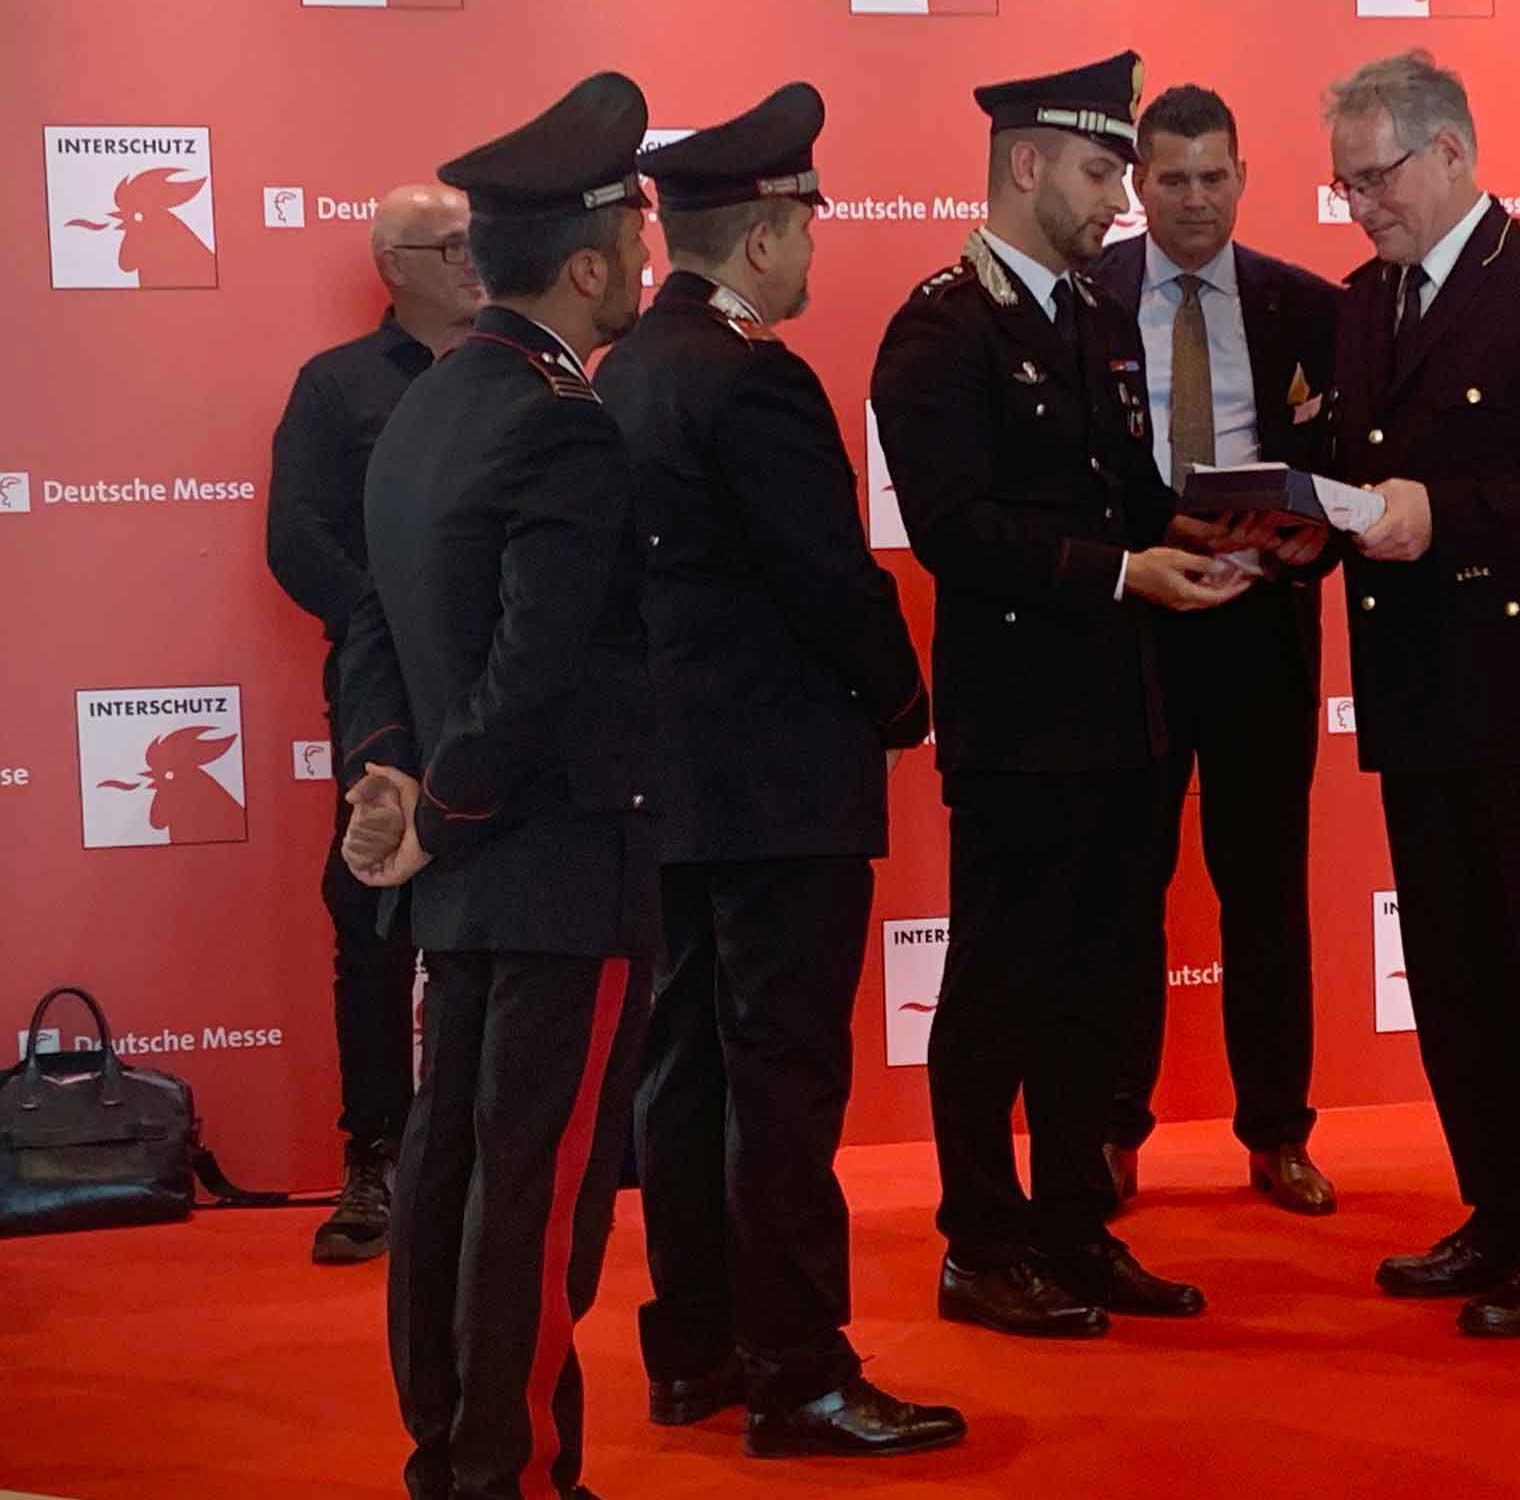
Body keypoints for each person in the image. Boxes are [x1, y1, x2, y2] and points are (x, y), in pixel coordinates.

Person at [594, 81, 965, 1459]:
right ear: (760, 235)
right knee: (784, 1086)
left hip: (669, 791)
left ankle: (695, 1349)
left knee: (682, 1070)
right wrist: (902, 699)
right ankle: (800, 1371)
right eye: (804, 224)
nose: (812, 246)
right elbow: (829, 580)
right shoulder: (755, 378)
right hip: (776, 796)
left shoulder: (626, 367)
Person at [871, 50, 1248, 1342]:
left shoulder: (1092, 313)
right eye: (1098, 172)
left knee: (1098, 985)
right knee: (998, 990)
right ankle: (982, 1244)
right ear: (1025, 164)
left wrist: (1219, 533)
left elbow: (1125, 493)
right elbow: (951, 531)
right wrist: (1123, 569)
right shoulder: (940, 327)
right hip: (1019, 725)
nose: (1119, 200)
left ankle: (1077, 1228)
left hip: (1118, 714)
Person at [335, 72, 663, 1498]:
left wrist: (392, 779)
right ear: (587, 266)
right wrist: (441, 806)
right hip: (554, 869)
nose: (647, 264)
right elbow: (539, 668)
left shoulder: (426, 403)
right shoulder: (560, 420)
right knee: (531, 1192)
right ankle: (506, 1473)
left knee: (454, 1172)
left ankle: (453, 1456)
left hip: (463, 867)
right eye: (636, 242)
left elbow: (374, 626)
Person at [1316, 50, 1520, 1336]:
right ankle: (1498, 1209)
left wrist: (1443, 515)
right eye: (1344, 186)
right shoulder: (1365, 303)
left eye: (1376, 178)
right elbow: (1349, 472)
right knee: (1453, 973)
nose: (1360, 207)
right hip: (1412, 687)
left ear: (1450, 153)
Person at [1095, 83, 1343, 1217]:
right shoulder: (1086, 300)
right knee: (1120, 888)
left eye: (1213, 176)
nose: (1195, 199)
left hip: (1261, 630)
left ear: (1242, 177)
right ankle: (1111, 1131)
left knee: (1266, 888)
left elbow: (1348, 472)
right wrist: (1149, 542)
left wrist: (1305, 539)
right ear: (1137, 185)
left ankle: (1278, 1133)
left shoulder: (1309, 307)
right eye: (1172, 179)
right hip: (1131, 625)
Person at [266, 182, 481, 1264]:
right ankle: (378, 1153)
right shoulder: (336, 385)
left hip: (502, 683)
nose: (472, 261)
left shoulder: (518, 374)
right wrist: (389, 623)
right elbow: (296, 536)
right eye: (449, 248)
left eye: (478, 242)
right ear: (394, 266)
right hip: (381, 691)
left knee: (507, 908)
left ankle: (493, 1150)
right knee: (370, 906)